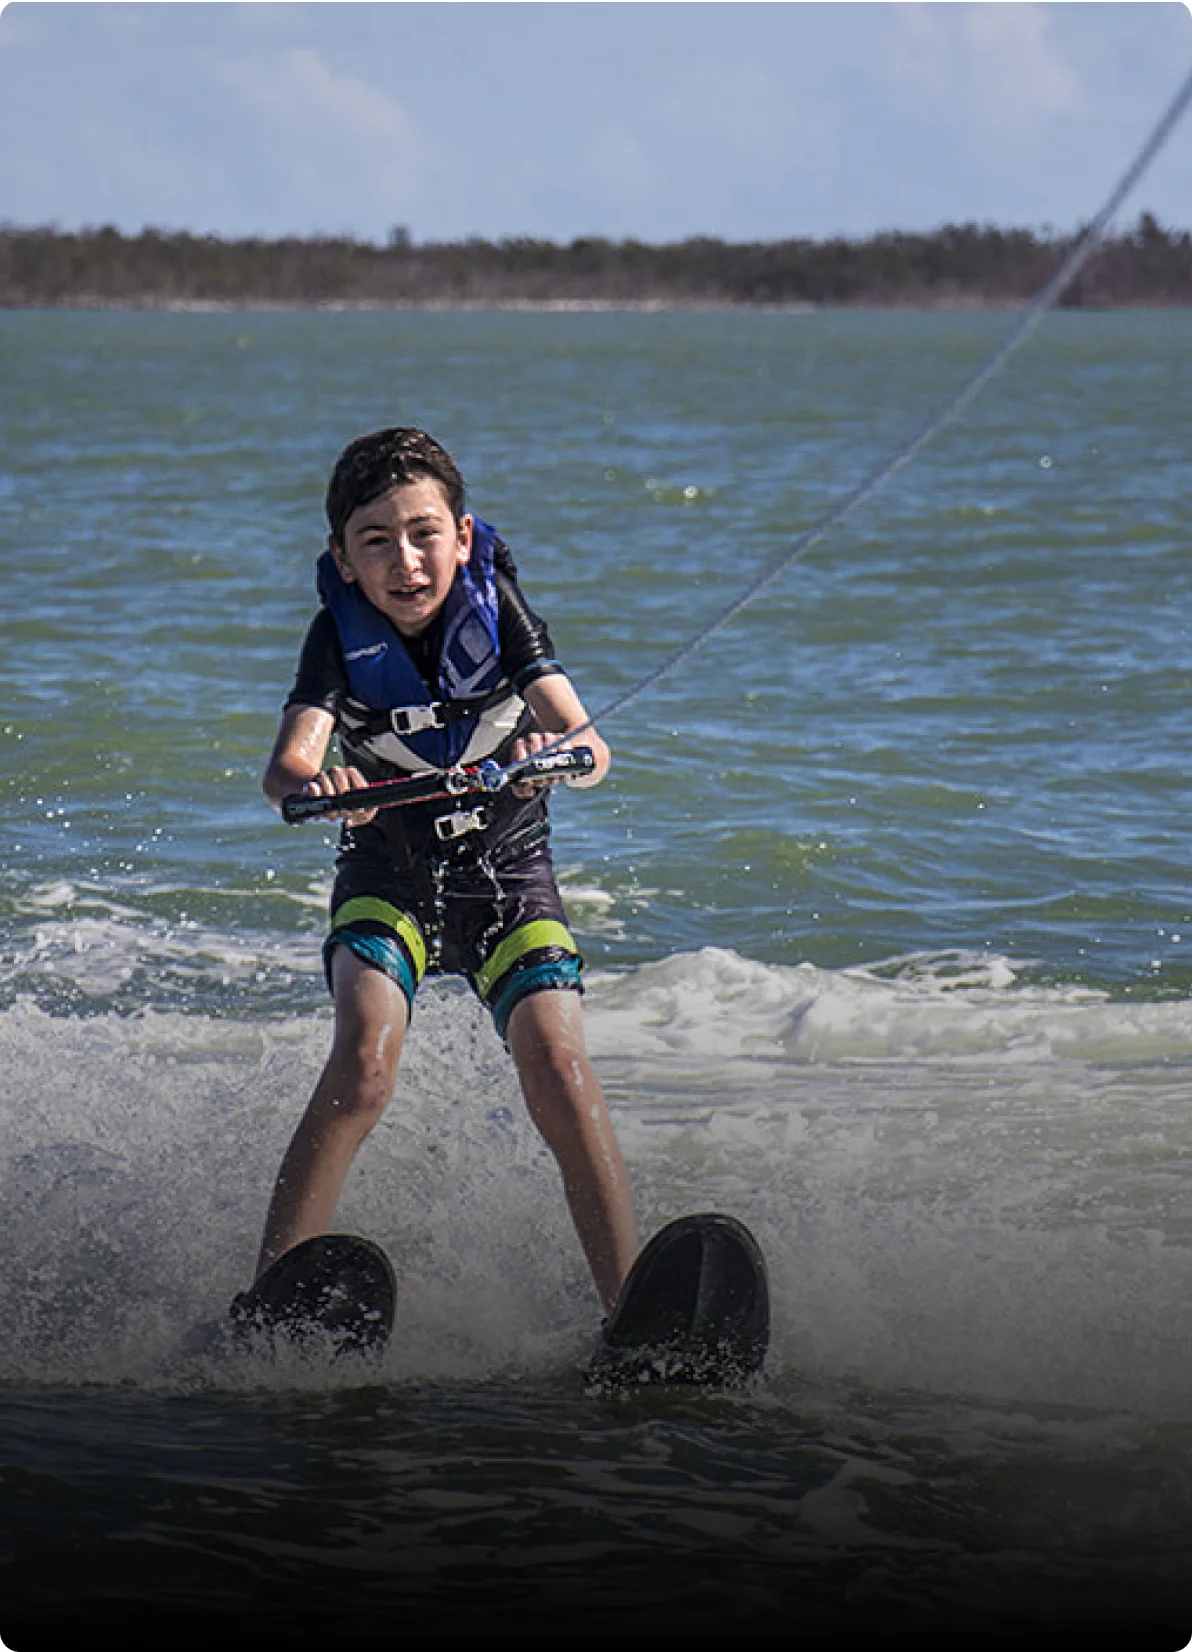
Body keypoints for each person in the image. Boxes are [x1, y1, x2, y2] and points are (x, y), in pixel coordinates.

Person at [255, 426, 639, 1312]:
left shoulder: (502, 614)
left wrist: (559, 750)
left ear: (463, 539)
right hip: (385, 875)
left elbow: (592, 742)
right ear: (343, 561)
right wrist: (326, 788)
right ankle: (270, 1295)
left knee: (559, 1066)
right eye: (376, 541)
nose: (407, 561)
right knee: (364, 1064)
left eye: (425, 533)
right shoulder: (332, 639)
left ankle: (630, 1305)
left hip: (507, 873)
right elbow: (285, 773)